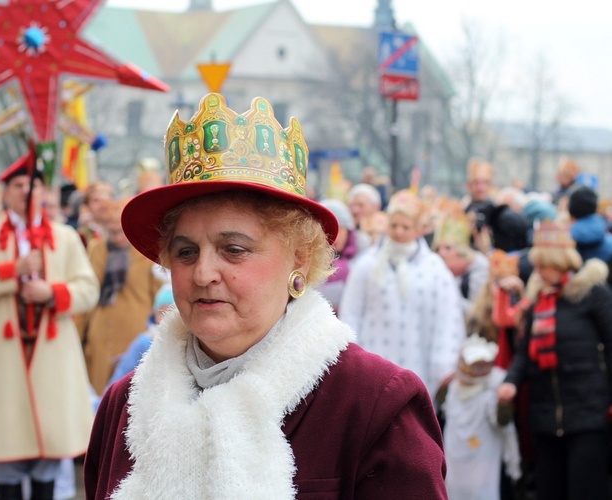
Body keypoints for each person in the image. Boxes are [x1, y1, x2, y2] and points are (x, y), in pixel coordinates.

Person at [84, 93, 447, 498]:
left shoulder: (374, 403)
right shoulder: (124, 406)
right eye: (186, 252)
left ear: (300, 258)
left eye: (233, 249)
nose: (203, 273)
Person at [0, 147, 99, 500]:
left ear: (44, 192)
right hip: (4, 358)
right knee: (6, 451)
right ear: (5, 192)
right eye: (17, 185)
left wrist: (50, 292)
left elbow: (87, 291)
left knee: (47, 453)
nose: (25, 191)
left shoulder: (64, 237)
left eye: (32, 185)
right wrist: (12, 272)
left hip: (50, 354)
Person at [497, 221, 612, 500]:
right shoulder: (539, 301)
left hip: (588, 415)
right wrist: (510, 382)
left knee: (587, 491)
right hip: (546, 418)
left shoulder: (592, 294)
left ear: (559, 263)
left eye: (542, 265)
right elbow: (525, 353)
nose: (537, 272)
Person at [339, 189, 466, 398]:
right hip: (374, 360)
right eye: (394, 225)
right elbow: (351, 313)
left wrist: (444, 363)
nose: (398, 232)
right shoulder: (367, 264)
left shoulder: (435, 269)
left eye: (405, 227)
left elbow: (448, 318)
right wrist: (353, 357)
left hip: (419, 362)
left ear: (417, 230)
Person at [74, 197, 164, 396]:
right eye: (110, 231)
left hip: (135, 335)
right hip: (99, 338)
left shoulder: (146, 249)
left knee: (129, 396)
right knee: (99, 399)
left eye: (119, 231)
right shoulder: (97, 249)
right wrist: (76, 337)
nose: (115, 237)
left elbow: (161, 297)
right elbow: (88, 294)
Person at [443, 335, 521, 500]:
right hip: (455, 463)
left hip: (482, 462)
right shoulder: (452, 389)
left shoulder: (491, 392)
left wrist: (503, 404)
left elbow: (502, 422)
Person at [107, 283, 175, 387]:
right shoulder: (144, 342)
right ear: (154, 313)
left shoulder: (184, 343)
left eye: (171, 312)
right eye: (161, 312)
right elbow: (119, 377)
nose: (165, 317)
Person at [316, 198, 358, 313]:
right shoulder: (306, 262)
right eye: (327, 230)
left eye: (340, 229)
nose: (335, 236)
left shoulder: (358, 263)